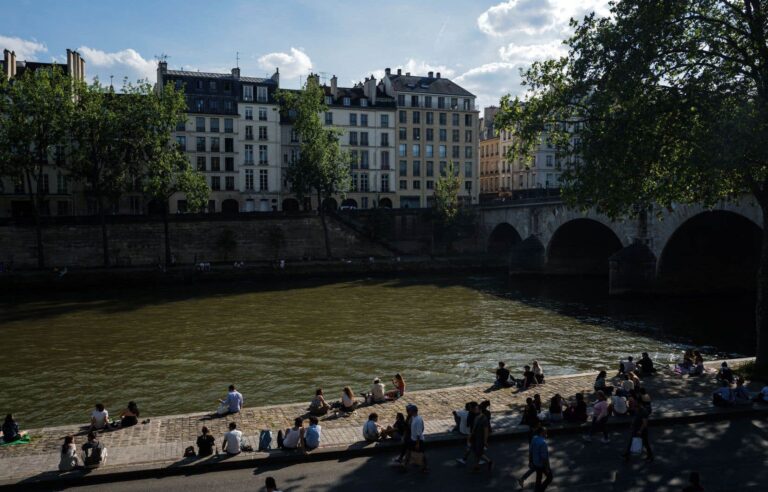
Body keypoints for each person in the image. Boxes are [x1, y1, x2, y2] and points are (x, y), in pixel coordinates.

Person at [467, 402, 493, 472]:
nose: (471, 410)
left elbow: (486, 430)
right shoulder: (476, 417)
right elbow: (473, 428)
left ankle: (477, 466)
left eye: (474, 408)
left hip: (480, 438)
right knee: (477, 452)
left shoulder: (483, 418)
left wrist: (485, 441)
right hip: (475, 437)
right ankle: (480, 464)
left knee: (478, 452)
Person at [404, 404, 428, 472]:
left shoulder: (418, 419)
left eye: (409, 410)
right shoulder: (413, 417)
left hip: (418, 441)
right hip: (412, 439)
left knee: (422, 454)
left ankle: (425, 467)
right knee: (408, 452)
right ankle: (405, 466)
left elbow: (419, 433)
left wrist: (417, 443)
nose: (408, 412)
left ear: (413, 411)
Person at [530, 426, 553, 491]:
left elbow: (531, 451)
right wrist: (547, 468)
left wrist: (530, 461)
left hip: (535, 462)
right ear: (542, 433)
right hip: (541, 464)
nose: (546, 434)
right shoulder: (543, 443)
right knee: (550, 477)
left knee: (539, 477)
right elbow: (544, 458)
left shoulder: (534, 438)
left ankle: (537, 489)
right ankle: (541, 489)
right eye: (545, 432)